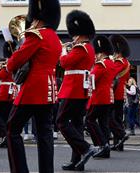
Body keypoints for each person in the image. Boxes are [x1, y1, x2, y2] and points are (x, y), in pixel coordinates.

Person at [6, 0, 61, 173]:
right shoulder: (54, 38)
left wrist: (8, 64)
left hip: (33, 90)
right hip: (49, 92)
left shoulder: (36, 35)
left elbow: (17, 60)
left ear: (37, 16)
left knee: (12, 129)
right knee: (45, 134)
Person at [57, 10, 97, 171]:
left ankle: (86, 148)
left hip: (73, 90)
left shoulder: (80, 48)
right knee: (77, 124)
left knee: (61, 121)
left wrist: (62, 50)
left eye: (74, 35)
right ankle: (77, 161)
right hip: (81, 90)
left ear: (79, 35)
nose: (72, 38)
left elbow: (64, 63)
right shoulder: (88, 48)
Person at [85, 35, 117, 159]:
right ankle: (106, 148)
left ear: (101, 53)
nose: (96, 55)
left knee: (89, 120)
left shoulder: (100, 65)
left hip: (98, 97)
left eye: (97, 53)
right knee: (103, 123)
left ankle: (102, 145)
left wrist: (91, 67)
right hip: (107, 98)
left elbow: (91, 80)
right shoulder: (110, 64)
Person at [0, 42, 18, 148]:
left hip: (5, 93)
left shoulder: (8, 65)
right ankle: (6, 138)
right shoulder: (15, 63)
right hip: (13, 93)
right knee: (6, 117)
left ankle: (4, 135)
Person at [109, 34, 131, 151]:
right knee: (117, 118)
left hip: (116, 93)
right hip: (120, 92)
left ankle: (119, 140)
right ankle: (118, 144)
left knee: (113, 118)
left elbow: (111, 73)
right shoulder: (125, 62)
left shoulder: (120, 62)